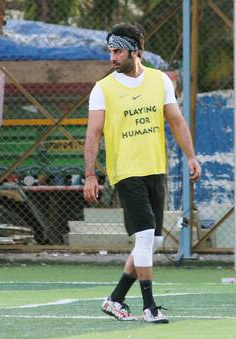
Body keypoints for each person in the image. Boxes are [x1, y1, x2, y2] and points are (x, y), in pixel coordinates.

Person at [83, 24, 201, 323]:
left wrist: (191, 157)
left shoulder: (160, 80)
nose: (112, 56)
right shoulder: (103, 89)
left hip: (154, 168)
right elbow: (93, 134)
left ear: (135, 51)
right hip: (126, 172)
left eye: (118, 50)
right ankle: (149, 307)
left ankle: (116, 299)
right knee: (146, 236)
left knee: (152, 242)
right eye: (110, 50)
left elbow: (175, 120)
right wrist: (90, 175)